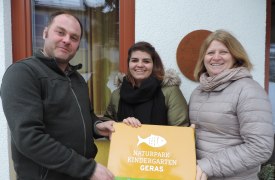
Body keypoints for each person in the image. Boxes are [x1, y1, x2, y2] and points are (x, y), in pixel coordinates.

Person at [1, 11, 115, 180]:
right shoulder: (23, 73)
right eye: (60, 32)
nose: (67, 40)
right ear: (45, 32)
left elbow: (86, 117)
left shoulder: (77, 79)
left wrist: (97, 126)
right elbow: (29, 137)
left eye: (74, 38)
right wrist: (87, 169)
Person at [189, 29, 274, 180]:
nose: (216, 57)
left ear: (235, 56)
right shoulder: (198, 91)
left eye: (223, 52)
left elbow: (260, 147)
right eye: (210, 53)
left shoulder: (248, 90)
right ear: (203, 58)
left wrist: (208, 166)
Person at [104, 41, 189, 127]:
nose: (140, 65)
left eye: (146, 61)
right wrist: (123, 126)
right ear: (129, 64)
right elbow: (108, 124)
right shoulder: (117, 94)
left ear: (154, 65)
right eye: (134, 60)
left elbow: (180, 130)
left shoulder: (170, 92)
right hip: (125, 140)